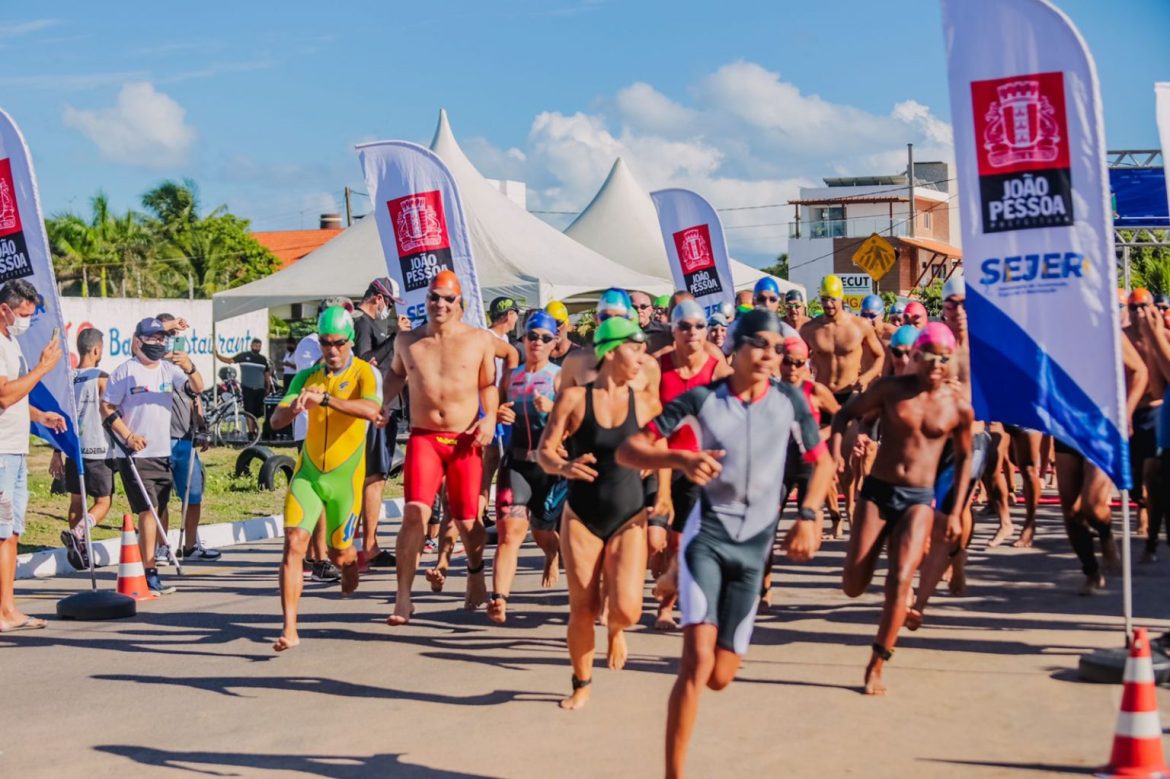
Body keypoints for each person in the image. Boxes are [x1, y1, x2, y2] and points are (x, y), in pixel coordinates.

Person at [615, 309, 833, 777]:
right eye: (759, 344)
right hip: (708, 536)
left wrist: (809, 516)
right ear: (734, 347)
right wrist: (679, 456)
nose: (769, 356)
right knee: (695, 663)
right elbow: (629, 449)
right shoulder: (701, 398)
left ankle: (674, 577)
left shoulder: (792, 402)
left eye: (776, 348)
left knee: (720, 676)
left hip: (755, 547)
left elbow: (824, 462)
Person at [833, 323, 974, 695]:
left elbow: (964, 460)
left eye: (944, 359)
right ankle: (877, 589)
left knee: (900, 581)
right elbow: (844, 415)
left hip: (917, 500)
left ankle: (877, 663)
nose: (937, 366)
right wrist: (837, 455)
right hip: (878, 494)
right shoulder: (891, 391)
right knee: (853, 585)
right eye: (929, 358)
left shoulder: (958, 406)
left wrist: (956, 510)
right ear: (915, 357)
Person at [537, 316, 659, 710]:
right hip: (582, 516)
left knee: (627, 608)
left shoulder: (644, 404)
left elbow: (665, 454)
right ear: (611, 350)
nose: (642, 357)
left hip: (629, 514)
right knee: (583, 607)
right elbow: (545, 451)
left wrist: (663, 502)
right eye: (634, 348)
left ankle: (618, 631)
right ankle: (581, 683)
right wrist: (564, 466)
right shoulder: (574, 399)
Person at [382, 270, 498, 624]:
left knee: (466, 520)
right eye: (434, 297)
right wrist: (383, 403)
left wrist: (490, 417)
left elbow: (488, 385)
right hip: (425, 438)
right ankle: (403, 598)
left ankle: (476, 572)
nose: (440, 304)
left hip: (464, 440)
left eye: (448, 298)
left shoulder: (479, 340)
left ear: (459, 303)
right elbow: (397, 375)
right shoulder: (408, 341)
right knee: (414, 513)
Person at [269, 306, 381, 651]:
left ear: (350, 342)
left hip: (345, 481)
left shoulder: (364, 373)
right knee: (294, 542)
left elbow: (372, 410)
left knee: (339, 553)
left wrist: (328, 399)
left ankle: (350, 568)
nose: (331, 351)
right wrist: (295, 408)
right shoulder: (307, 376)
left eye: (338, 344)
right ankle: (289, 628)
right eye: (325, 343)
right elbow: (275, 422)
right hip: (309, 475)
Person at [102, 316, 201, 596]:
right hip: (135, 454)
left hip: (163, 451)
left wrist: (190, 367)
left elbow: (198, 388)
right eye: (152, 338)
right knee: (147, 512)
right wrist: (128, 435)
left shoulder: (169, 370)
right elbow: (106, 407)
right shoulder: (125, 371)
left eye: (161, 339)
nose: (157, 343)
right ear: (138, 341)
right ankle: (149, 571)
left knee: (158, 510)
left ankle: (148, 565)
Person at [652, 300, 733, 629]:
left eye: (699, 326)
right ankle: (658, 582)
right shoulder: (657, 365)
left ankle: (667, 607)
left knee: (680, 539)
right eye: (684, 326)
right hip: (660, 459)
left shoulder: (717, 368)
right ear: (673, 330)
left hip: (697, 462)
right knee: (652, 540)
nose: (693, 332)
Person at [489, 311, 565, 622]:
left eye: (545, 338)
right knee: (510, 531)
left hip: (551, 468)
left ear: (554, 343)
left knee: (541, 529)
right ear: (523, 339)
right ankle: (499, 598)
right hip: (517, 463)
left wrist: (553, 410)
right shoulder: (511, 377)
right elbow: (493, 408)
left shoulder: (560, 377)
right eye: (532, 336)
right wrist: (499, 414)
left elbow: (577, 421)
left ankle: (551, 554)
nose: (537, 342)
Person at [0, 280, 66, 633]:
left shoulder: (11, 342)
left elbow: (17, 399)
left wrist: (41, 417)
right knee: (1, 534)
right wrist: (42, 368)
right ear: (5, 310)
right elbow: (4, 396)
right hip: (1, 455)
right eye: (23, 314)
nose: (26, 321)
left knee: (11, 534)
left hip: (15, 451)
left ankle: (8, 609)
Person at [352, 277, 408, 571]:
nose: (387, 308)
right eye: (387, 302)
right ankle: (368, 546)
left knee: (378, 477)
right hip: (376, 408)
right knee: (374, 478)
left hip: (387, 407)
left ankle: (367, 542)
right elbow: (364, 360)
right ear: (377, 298)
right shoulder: (362, 323)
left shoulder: (373, 324)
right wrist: (394, 338)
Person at [51, 327, 115, 571]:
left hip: (73, 450)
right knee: (103, 502)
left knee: (77, 502)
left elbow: (59, 417)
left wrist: (56, 452)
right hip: (98, 450)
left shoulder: (69, 379)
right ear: (97, 349)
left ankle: (81, 554)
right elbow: (110, 410)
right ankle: (77, 533)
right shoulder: (101, 377)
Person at [156, 313, 218, 562]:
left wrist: (201, 428)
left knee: (192, 497)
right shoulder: (147, 365)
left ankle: (190, 545)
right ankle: (162, 546)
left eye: (174, 337)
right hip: (159, 441)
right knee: (160, 498)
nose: (171, 341)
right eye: (167, 335)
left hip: (184, 439)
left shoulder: (182, 368)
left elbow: (197, 393)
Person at [800, 274, 885, 404]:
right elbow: (797, 359)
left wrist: (866, 377)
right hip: (822, 395)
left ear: (841, 298)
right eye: (824, 299)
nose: (828, 304)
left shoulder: (860, 325)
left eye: (832, 299)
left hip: (850, 395)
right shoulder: (809, 329)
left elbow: (880, 356)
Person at [1123, 288, 1165, 538]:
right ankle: (1141, 505)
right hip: (1131, 412)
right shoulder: (1122, 339)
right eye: (1133, 307)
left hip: (1156, 411)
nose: (1138, 312)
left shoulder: (1162, 337)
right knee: (1136, 476)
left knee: (1151, 470)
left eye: (1142, 306)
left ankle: (1146, 519)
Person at [214, 338, 271, 420]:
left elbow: (267, 374)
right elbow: (230, 360)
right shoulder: (244, 356)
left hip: (260, 389)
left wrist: (268, 386)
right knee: (249, 411)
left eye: (259, 346)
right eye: (255, 346)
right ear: (251, 346)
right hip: (247, 387)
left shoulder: (262, 359)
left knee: (257, 412)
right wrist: (217, 355)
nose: (257, 348)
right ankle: (251, 432)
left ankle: (255, 430)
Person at [545, 300, 575, 365]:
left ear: (566, 323)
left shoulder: (578, 354)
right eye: (550, 323)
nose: (555, 328)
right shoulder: (540, 353)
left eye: (558, 323)